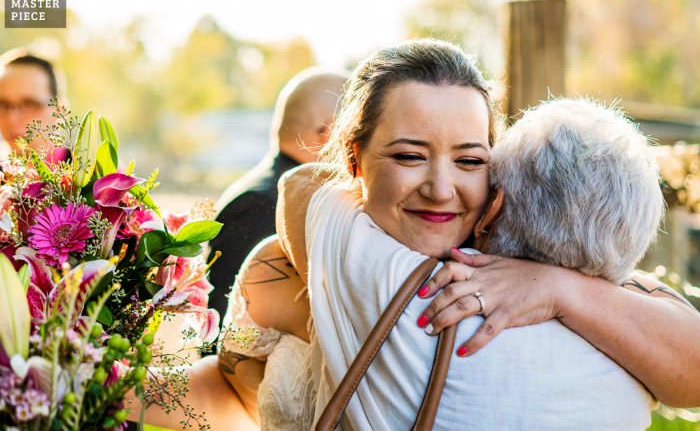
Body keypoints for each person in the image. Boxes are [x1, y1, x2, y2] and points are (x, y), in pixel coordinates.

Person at [127, 39, 700, 430]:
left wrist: (556, 286)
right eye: (408, 155)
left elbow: (303, 186)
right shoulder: (290, 263)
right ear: (353, 158)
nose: (440, 188)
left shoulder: (298, 255)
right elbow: (232, 397)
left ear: (498, 176)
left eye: (471, 160)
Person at [207, 67, 349, 323]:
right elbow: (225, 332)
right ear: (332, 133)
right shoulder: (258, 205)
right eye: (358, 131)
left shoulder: (279, 194)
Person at [0, 52, 67, 161]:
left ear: (58, 111)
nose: (12, 119)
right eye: (3, 105)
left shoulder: (95, 173)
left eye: (29, 105)